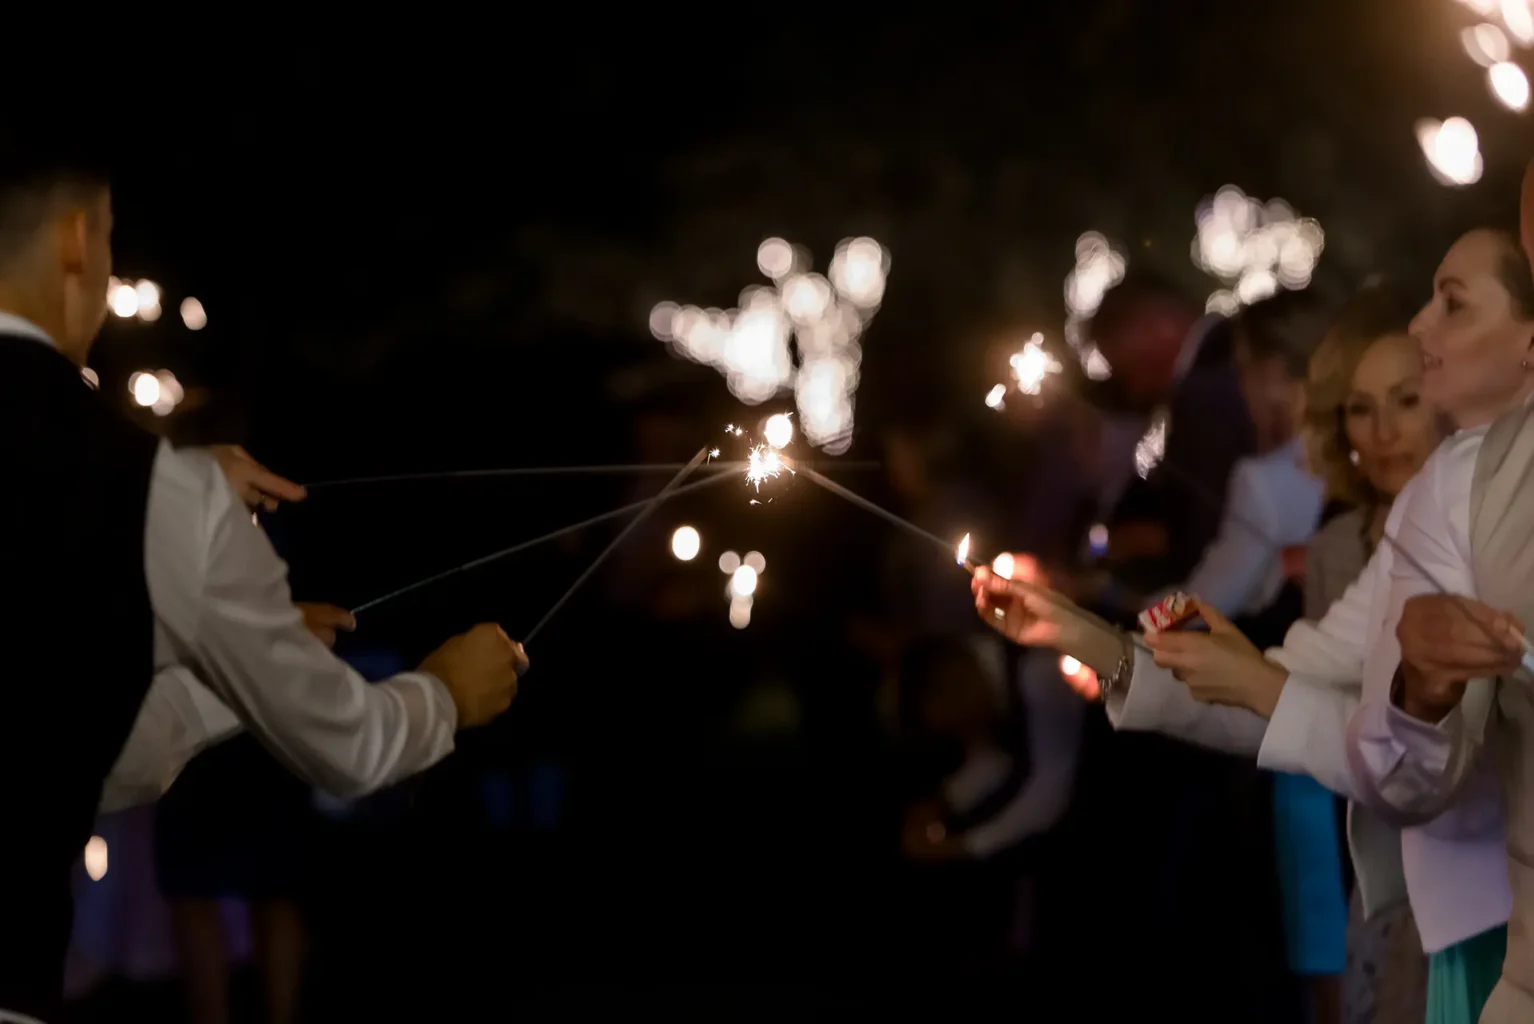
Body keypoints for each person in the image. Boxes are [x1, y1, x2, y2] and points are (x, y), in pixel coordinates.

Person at [0, 137, 525, 1021]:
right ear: (78, 240)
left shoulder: (156, 486)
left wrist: (233, 683)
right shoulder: (150, 487)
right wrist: (444, 694)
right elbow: (350, 747)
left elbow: (64, 755)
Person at [971, 227, 1534, 1023]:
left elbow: (1286, 690)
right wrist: (1080, 634)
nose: (1418, 327)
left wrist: (1273, 681)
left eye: (1452, 305)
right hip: (1466, 916)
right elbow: (1314, 699)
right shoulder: (1439, 499)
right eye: (1360, 409)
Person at [1347, 183, 1534, 1022]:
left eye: (1452, 307)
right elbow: (1398, 775)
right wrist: (1418, 690)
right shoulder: (1463, 487)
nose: (1422, 330)